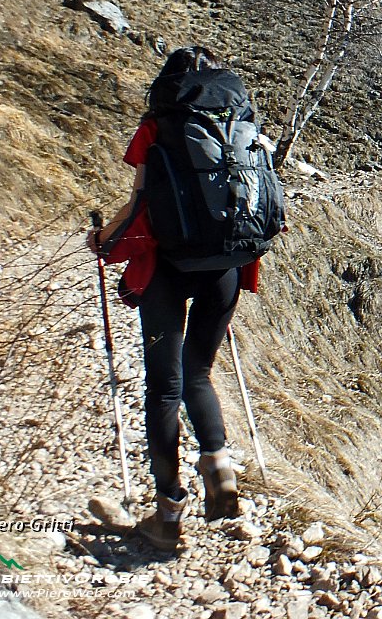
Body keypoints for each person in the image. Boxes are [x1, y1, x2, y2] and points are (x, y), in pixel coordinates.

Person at [88, 46, 257, 550]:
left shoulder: (157, 124)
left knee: (164, 387)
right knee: (199, 371)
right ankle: (220, 468)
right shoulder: (239, 120)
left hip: (169, 270)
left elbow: (141, 198)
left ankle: (167, 517)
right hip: (226, 264)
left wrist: (106, 240)